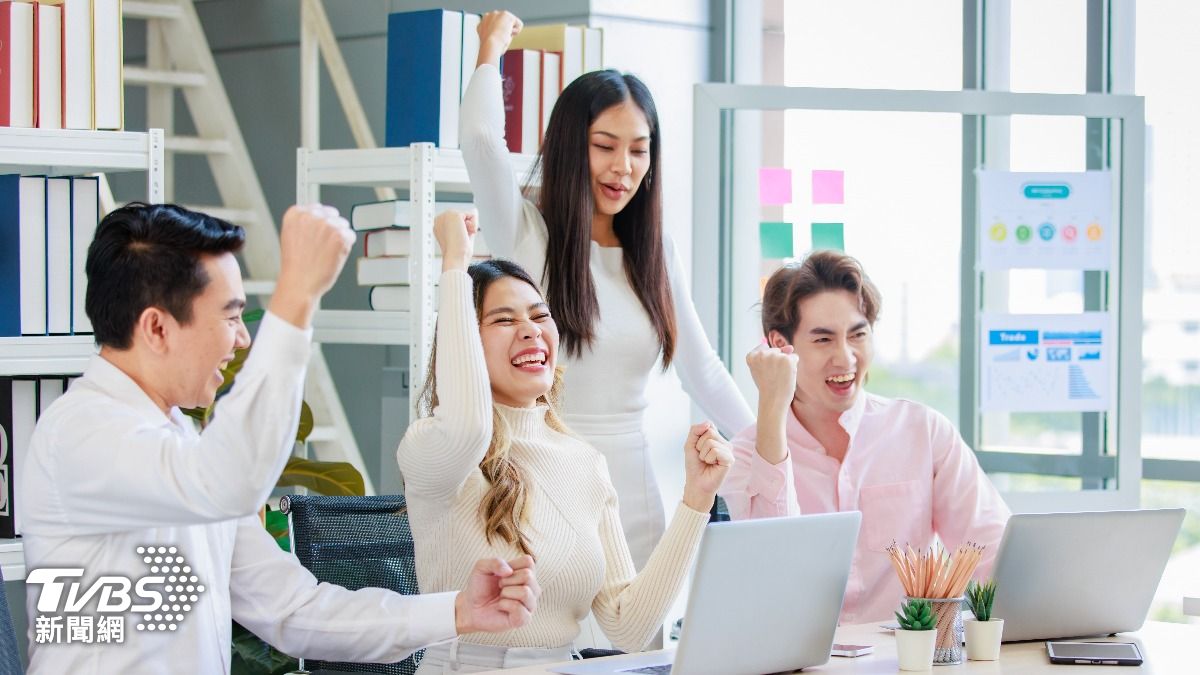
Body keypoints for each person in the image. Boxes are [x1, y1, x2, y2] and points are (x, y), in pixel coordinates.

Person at [19, 203, 539, 673]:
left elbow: (292, 609)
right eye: (229, 316)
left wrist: (457, 610)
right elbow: (226, 482)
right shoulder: (83, 434)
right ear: (157, 329)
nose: (242, 337)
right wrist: (296, 294)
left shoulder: (176, 439)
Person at [458, 10, 753, 569]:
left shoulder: (655, 252)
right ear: (572, 145)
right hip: (543, 492)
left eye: (639, 149)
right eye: (605, 145)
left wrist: (775, 446)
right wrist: (490, 49)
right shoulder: (526, 236)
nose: (624, 167)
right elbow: (479, 139)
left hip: (637, 500)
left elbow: (704, 370)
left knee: (635, 650)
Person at [396, 211, 732, 672]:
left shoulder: (583, 460)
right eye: (502, 319)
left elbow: (629, 626)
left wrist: (697, 499)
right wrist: (454, 262)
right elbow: (469, 428)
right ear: (465, 343)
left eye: (540, 316)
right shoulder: (435, 449)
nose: (531, 329)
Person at [724, 250, 1011, 624]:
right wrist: (771, 412)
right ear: (781, 346)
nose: (846, 359)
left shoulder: (922, 432)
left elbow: (993, 554)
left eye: (858, 335)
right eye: (823, 340)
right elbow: (773, 577)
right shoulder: (746, 455)